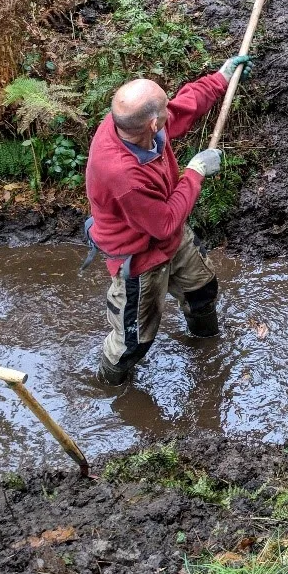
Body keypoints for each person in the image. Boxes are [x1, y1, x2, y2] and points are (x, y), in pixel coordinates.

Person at [84, 55, 252, 384]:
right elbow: (162, 223)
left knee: (203, 291)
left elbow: (178, 112)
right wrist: (195, 172)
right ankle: (106, 386)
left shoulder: (136, 127)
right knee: (133, 343)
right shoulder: (121, 173)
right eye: (162, 110)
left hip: (169, 232)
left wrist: (219, 78)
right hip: (140, 254)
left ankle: (206, 349)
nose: (168, 112)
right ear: (151, 125)